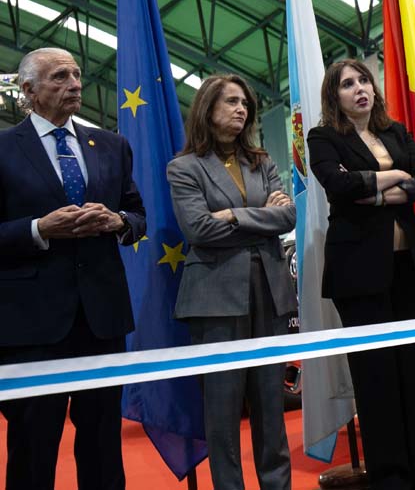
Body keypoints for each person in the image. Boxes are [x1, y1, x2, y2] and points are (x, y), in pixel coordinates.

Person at [0, 47, 146, 490]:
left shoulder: (113, 145)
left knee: (103, 439)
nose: (75, 84)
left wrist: (118, 222)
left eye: (77, 74)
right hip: (32, 325)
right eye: (59, 77)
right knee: (33, 443)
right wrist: (38, 229)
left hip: (101, 318)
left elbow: (137, 214)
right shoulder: (3, 149)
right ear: (29, 91)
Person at [307, 60, 415, 490]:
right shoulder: (324, 137)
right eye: (348, 84)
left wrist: (377, 190)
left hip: (407, 267)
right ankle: (390, 477)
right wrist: (394, 177)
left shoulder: (396, 131)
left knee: (413, 374)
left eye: (364, 80)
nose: (359, 89)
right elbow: (338, 185)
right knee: (376, 377)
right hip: (359, 275)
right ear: (335, 95)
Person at [167, 74, 295, 490]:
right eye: (231, 102)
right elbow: (200, 230)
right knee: (222, 413)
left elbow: (289, 217)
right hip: (215, 298)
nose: (241, 110)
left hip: (269, 291)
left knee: (271, 406)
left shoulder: (262, 161)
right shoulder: (184, 168)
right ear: (207, 109)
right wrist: (261, 217)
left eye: (245, 104)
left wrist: (234, 216)